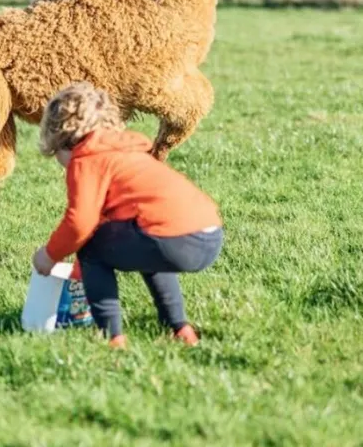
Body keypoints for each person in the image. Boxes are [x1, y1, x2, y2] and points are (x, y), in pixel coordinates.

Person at [32, 82, 223, 348]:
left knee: (91, 248)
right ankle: (179, 328)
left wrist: (50, 255)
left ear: (62, 140)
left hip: (173, 241)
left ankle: (112, 338)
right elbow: (108, 224)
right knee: (145, 245)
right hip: (209, 235)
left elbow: (80, 223)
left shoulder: (85, 159)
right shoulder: (127, 152)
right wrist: (80, 271)